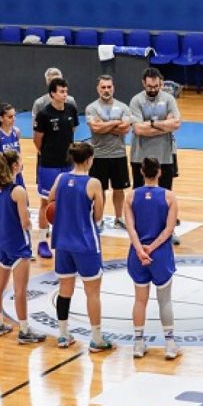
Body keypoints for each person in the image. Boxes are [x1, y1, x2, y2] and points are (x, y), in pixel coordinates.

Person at [47, 142, 115, 352]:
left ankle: (63, 335)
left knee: (64, 290)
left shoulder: (61, 178)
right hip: (85, 243)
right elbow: (98, 216)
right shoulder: (93, 183)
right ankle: (96, 338)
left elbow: (50, 201)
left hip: (62, 242)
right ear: (88, 160)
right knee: (92, 292)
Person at [124, 157, 181, 361]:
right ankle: (170, 345)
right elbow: (169, 229)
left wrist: (141, 250)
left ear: (141, 172)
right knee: (164, 300)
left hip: (137, 254)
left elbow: (130, 228)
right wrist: (152, 248)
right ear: (159, 172)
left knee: (140, 300)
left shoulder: (131, 196)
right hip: (160, 254)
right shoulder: (169, 196)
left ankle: (138, 344)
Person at [0, 150, 46, 344]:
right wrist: (30, 223)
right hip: (19, 245)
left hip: (1, 244)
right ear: (14, 166)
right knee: (20, 290)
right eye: (20, 161)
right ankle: (24, 330)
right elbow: (24, 222)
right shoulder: (18, 190)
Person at [129, 68, 181, 239]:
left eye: (156, 86)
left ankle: (168, 230)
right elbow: (138, 129)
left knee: (165, 196)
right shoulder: (136, 100)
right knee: (139, 196)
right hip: (140, 156)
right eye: (149, 86)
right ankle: (139, 229)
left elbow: (176, 124)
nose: (153, 89)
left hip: (164, 156)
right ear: (143, 83)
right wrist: (163, 125)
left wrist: (150, 124)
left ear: (161, 83)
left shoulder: (169, 99)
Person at [33, 76, 79, 259]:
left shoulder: (71, 109)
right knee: (46, 203)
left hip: (68, 164)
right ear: (52, 93)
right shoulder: (44, 114)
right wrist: (48, 154)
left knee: (67, 201)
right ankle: (42, 241)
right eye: (61, 91)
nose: (65, 94)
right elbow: (37, 140)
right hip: (49, 165)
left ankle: (64, 238)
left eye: (66, 91)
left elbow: (71, 132)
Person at [85, 75, 133, 229]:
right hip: (98, 156)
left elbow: (125, 129)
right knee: (100, 190)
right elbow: (95, 128)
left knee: (119, 189)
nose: (106, 90)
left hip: (119, 154)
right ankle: (98, 219)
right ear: (98, 89)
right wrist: (116, 123)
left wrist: (104, 125)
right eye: (103, 87)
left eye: (109, 87)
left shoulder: (123, 107)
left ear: (113, 88)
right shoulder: (92, 108)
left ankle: (119, 218)